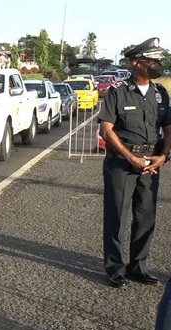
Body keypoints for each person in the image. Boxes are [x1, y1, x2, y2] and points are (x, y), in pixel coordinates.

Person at [98, 37, 171, 289]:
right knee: (117, 216)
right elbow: (107, 130)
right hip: (121, 163)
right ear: (136, 63)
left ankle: (138, 266)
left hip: (151, 164)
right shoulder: (117, 91)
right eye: (152, 60)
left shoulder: (160, 94)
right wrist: (131, 158)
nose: (157, 65)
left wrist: (163, 156)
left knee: (146, 216)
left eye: (158, 61)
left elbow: (168, 128)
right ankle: (115, 269)